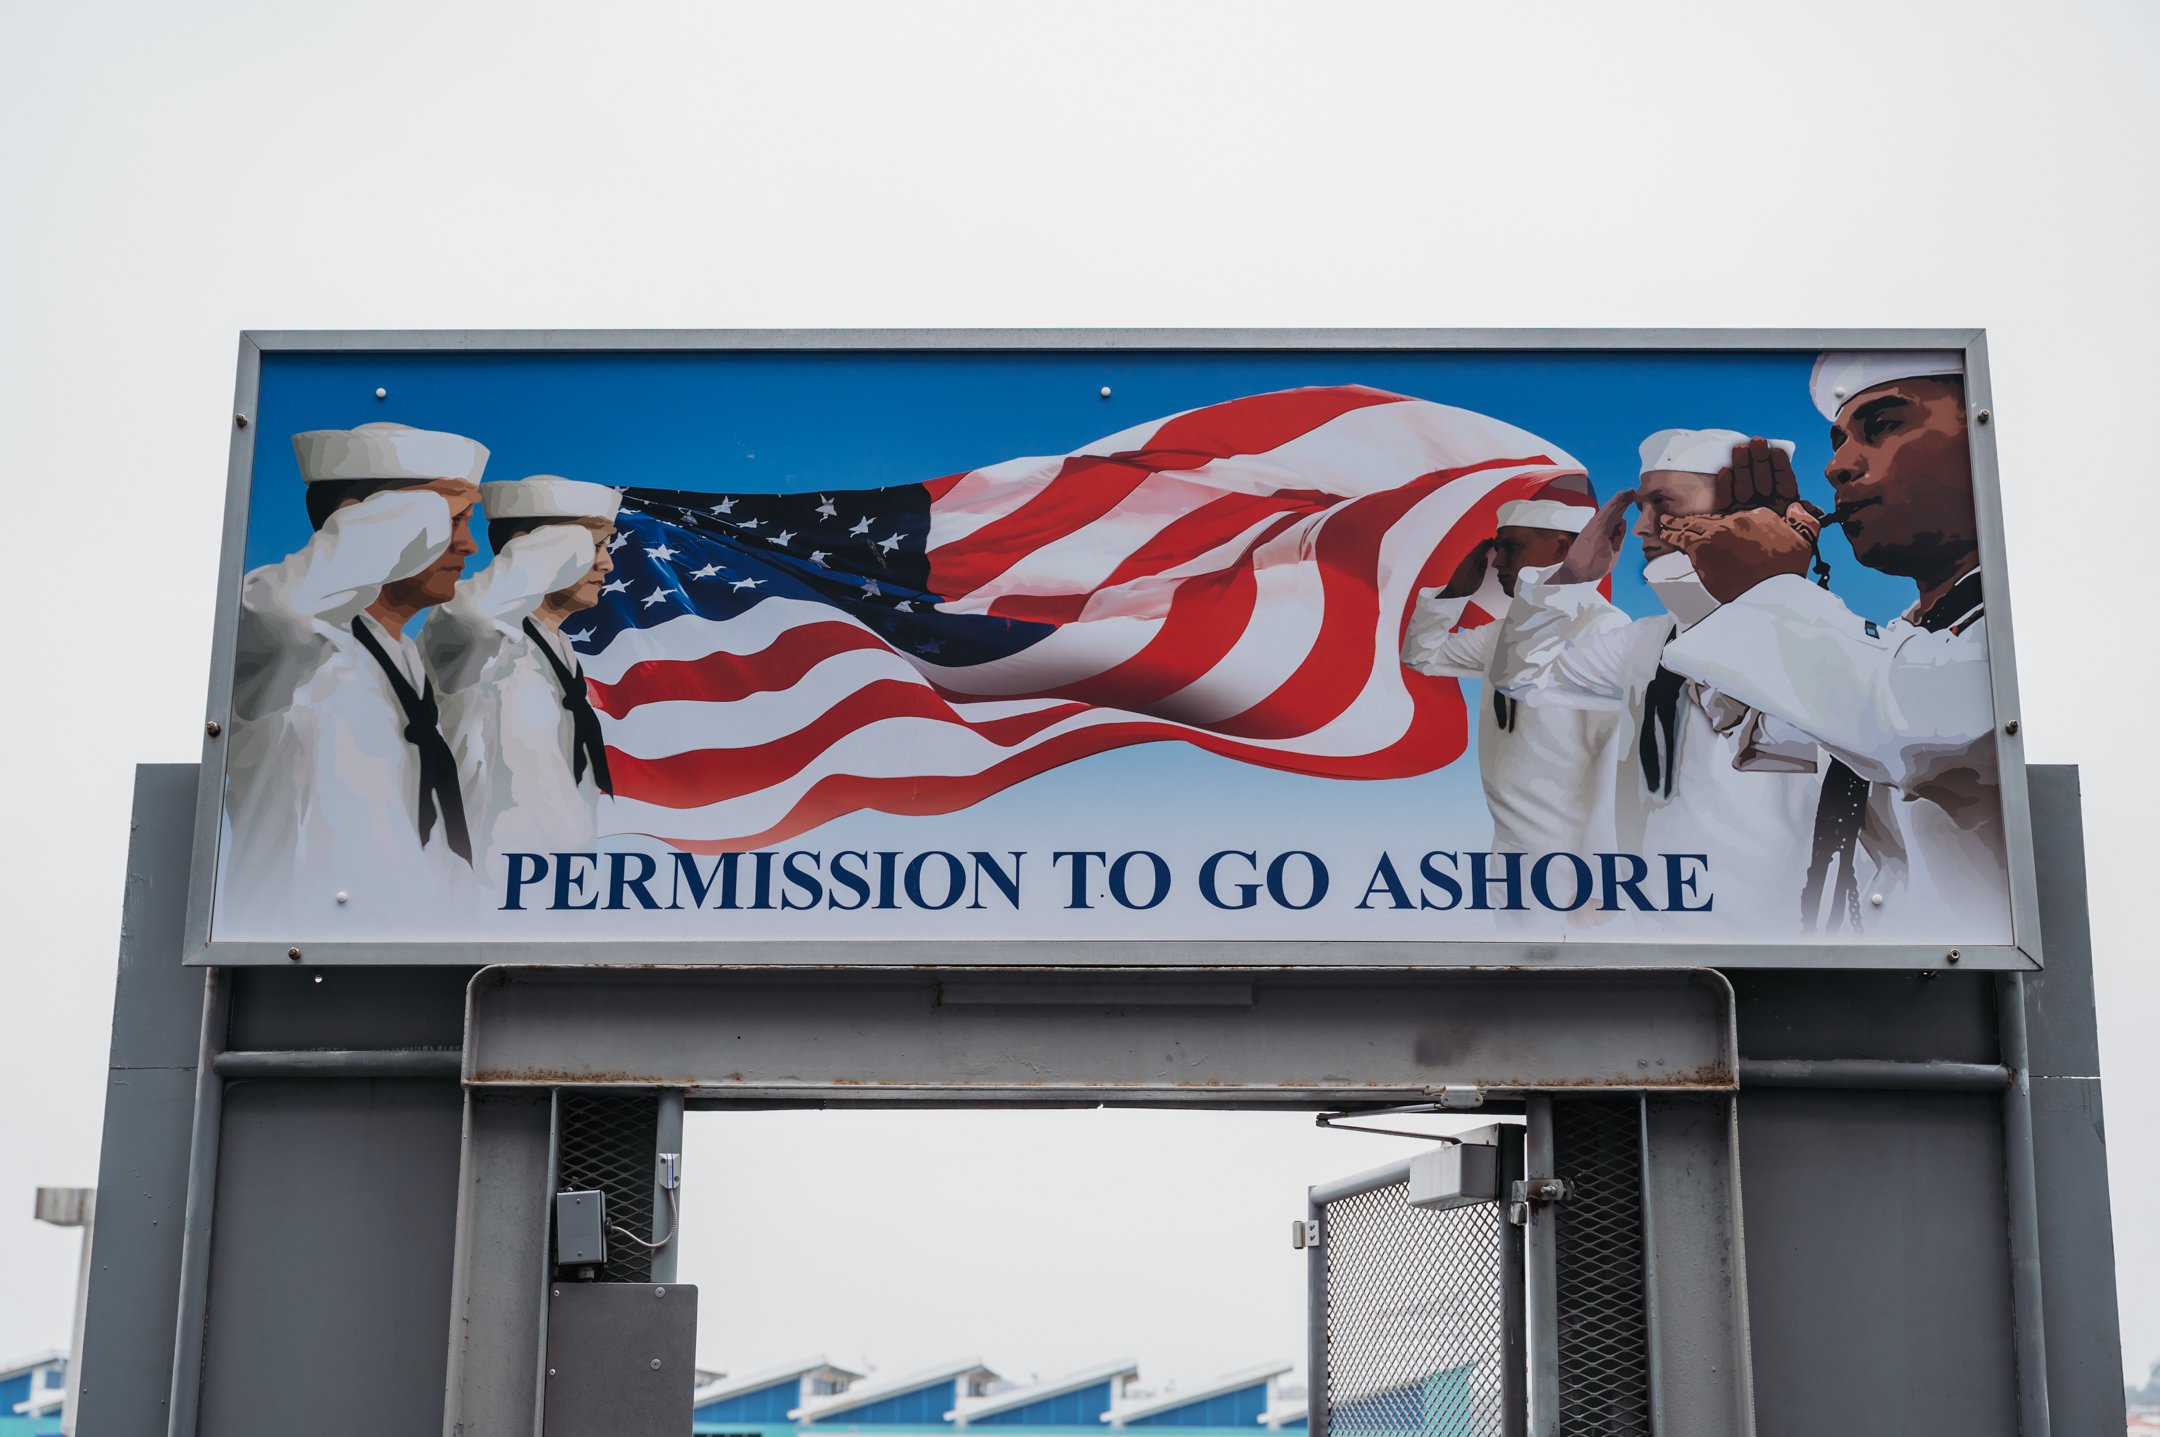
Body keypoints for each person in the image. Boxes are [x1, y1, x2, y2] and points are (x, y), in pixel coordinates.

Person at [1656, 352, 2005, 935]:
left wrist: (1766, 586)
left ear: (1984, 436)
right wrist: (1728, 588)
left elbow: (1909, 724)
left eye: (1884, 425)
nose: (1836, 468)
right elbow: (1761, 722)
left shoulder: (2022, 630)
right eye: (1839, 440)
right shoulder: (1909, 639)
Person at [1489, 429, 1822, 930]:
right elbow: (1524, 676)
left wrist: (1763, 582)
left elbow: (1747, 693)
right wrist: (1571, 577)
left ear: (1743, 515)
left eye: (1663, 505)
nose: (1643, 528)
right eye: (1640, 507)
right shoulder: (1646, 644)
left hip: (1772, 951)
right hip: (1647, 936)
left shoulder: (1818, 642)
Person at [223, 421, 485, 929]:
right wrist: (425, 506)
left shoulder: (404, 661)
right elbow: (288, 612)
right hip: (298, 962)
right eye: (452, 520)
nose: (469, 545)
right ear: (368, 525)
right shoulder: (289, 644)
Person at [1400, 497, 1628, 862]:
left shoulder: (1605, 631)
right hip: (1510, 853)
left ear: (1563, 549)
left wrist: (1599, 881)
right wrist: (1454, 595)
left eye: (1511, 547)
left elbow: (1614, 765)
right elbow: (1423, 656)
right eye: (1497, 549)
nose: (1498, 563)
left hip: (1571, 860)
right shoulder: (1504, 633)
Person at [420, 474, 620, 868]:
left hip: (552, 890)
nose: (607, 564)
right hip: (482, 895)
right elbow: (475, 615)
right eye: (593, 547)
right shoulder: (469, 636)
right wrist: (545, 549)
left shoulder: (559, 650)